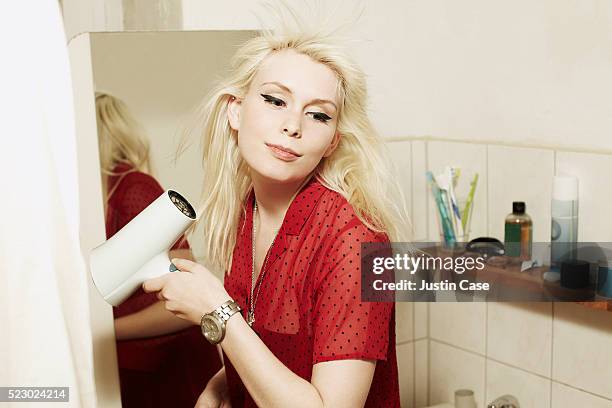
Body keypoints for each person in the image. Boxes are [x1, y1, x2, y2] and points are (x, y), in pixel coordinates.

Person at [142, 6, 411, 408]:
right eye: (275, 100)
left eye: (318, 114)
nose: (293, 126)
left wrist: (216, 313)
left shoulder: (357, 243)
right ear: (236, 109)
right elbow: (278, 349)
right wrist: (221, 386)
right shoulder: (247, 210)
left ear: (333, 140)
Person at [95, 92, 222, 407]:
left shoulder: (133, 188)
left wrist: (103, 333)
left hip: (169, 370)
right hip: (135, 369)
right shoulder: (98, 200)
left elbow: (183, 302)